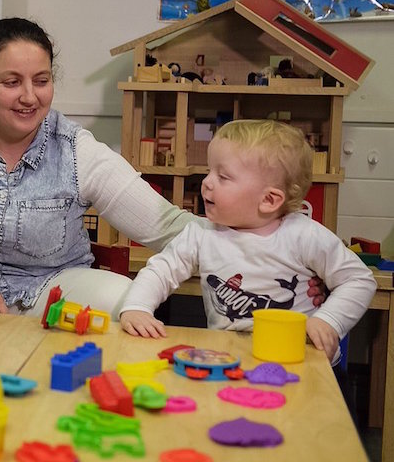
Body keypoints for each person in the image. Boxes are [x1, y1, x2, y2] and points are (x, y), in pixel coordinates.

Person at [0, 17, 200, 317]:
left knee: (121, 297)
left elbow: (167, 227)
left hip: (50, 293)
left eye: (41, 81)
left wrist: (243, 236)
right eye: (12, 82)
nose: (29, 97)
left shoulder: (75, 148)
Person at [118, 119, 376, 362]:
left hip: (299, 357)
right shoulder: (202, 233)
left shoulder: (304, 234)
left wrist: (328, 320)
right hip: (228, 357)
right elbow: (160, 270)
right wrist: (137, 307)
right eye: (209, 172)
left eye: (223, 176)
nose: (206, 183)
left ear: (269, 200)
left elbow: (358, 279)